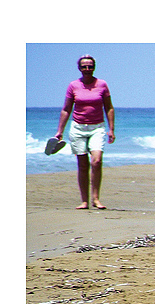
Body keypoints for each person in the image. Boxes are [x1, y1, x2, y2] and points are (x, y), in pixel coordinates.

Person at [54, 55, 116, 209]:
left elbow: (109, 107)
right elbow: (66, 109)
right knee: (82, 165)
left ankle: (96, 199)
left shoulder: (102, 84)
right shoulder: (73, 85)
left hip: (97, 127)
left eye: (90, 66)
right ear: (79, 68)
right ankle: (84, 201)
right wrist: (59, 131)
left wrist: (111, 129)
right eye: (84, 66)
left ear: (94, 67)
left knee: (97, 161)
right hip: (78, 128)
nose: (87, 69)